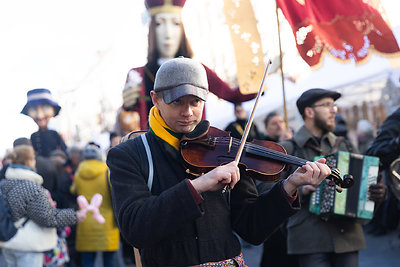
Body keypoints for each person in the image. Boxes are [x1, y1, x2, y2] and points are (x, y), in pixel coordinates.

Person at [106, 57, 333, 266]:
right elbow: (135, 228)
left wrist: (289, 185)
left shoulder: (226, 147)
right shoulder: (129, 154)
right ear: (156, 99)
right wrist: (199, 185)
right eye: (177, 102)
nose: (188, 112)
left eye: (195, 102)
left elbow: (252, 228)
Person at [278, 88, 386, 267]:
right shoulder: (288, 149)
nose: (334, 110)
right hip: (309, 238)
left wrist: (376, 193)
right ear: (309, 112)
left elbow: (360, 186)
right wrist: (299, 190)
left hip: (347, 236)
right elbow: (266, 192)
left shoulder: (344, 145)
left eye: (334, 105)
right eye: (327, 105)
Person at [116, 0, 255, 134]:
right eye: (159, 24)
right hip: (154, 151)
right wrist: (126, 107)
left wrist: (255, 80)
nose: (168, 34)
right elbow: (128, 124)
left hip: (195, 149)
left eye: (175, 23)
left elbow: (231, 95)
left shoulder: (198, 70)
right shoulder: (138, 75)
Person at [0, 145, 85, 267]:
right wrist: (75, 216)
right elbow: (47, 217)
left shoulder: (4, 183)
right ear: (29, 161)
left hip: (7, 242)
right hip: (28, 245)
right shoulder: (30, 186)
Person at [70, 144, 120, 267]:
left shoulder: (78, 173)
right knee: (109, 261)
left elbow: (73, 190)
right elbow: (115, 192)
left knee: (87, 260)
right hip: (106, 221)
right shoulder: (107, 171)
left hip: (85, 221)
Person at [21, 88, 67, 158]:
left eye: (46, 108)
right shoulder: (33, 136)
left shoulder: (54, 133)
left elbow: (64, 150)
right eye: (33, 109)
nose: (40, 115)